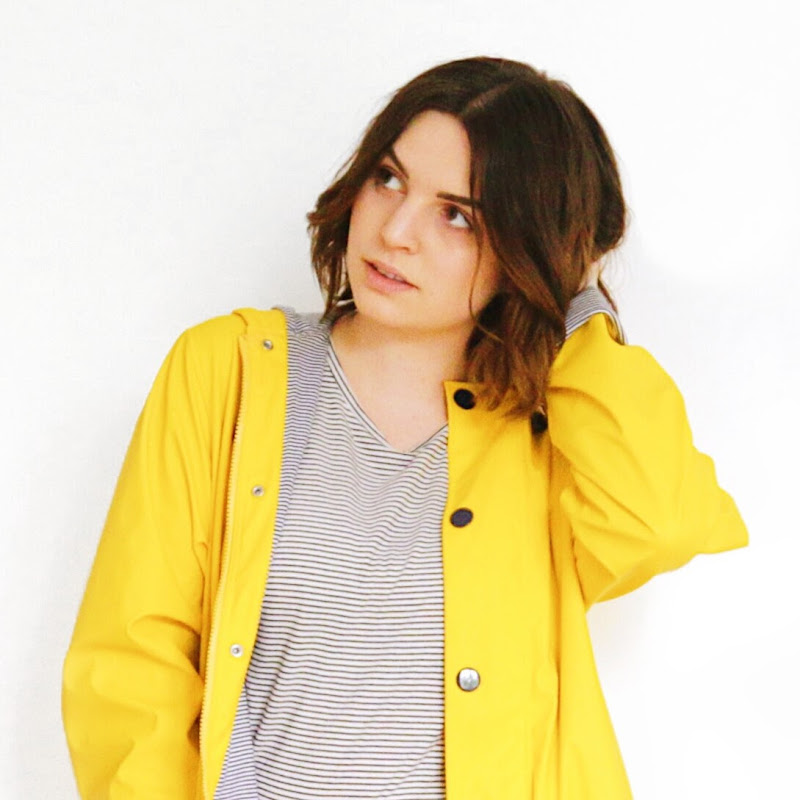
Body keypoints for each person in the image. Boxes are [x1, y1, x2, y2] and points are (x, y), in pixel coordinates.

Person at [62, 56, 748, 799]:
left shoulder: (550, 439)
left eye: (458, 215)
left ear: (530, 248)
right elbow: (130, 668)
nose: (394, 231)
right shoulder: (227, 372)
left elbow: (660, 523)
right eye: (388, 178)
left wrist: (575, 303)